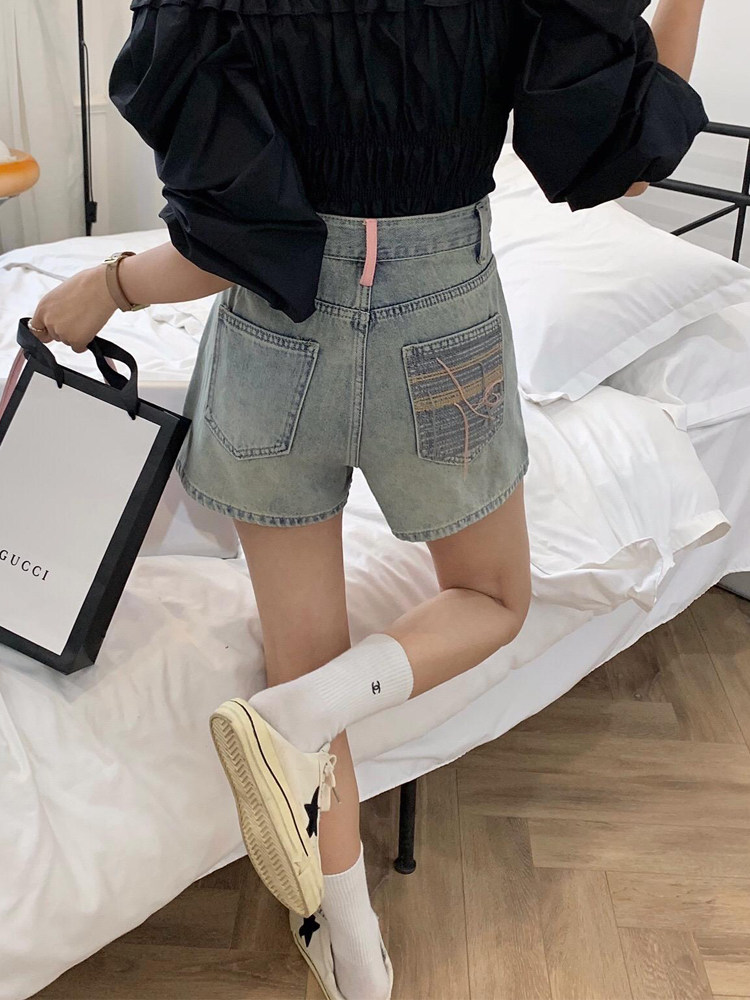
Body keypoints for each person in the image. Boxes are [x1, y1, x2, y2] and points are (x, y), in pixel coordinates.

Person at [30, 0, 707, 996]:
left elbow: (232, 237)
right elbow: (630, 160)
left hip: (272, 337)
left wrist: (110, 285)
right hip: (443, 324)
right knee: (492, 598)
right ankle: (299, 717)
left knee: (303, 652)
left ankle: (355, 957)